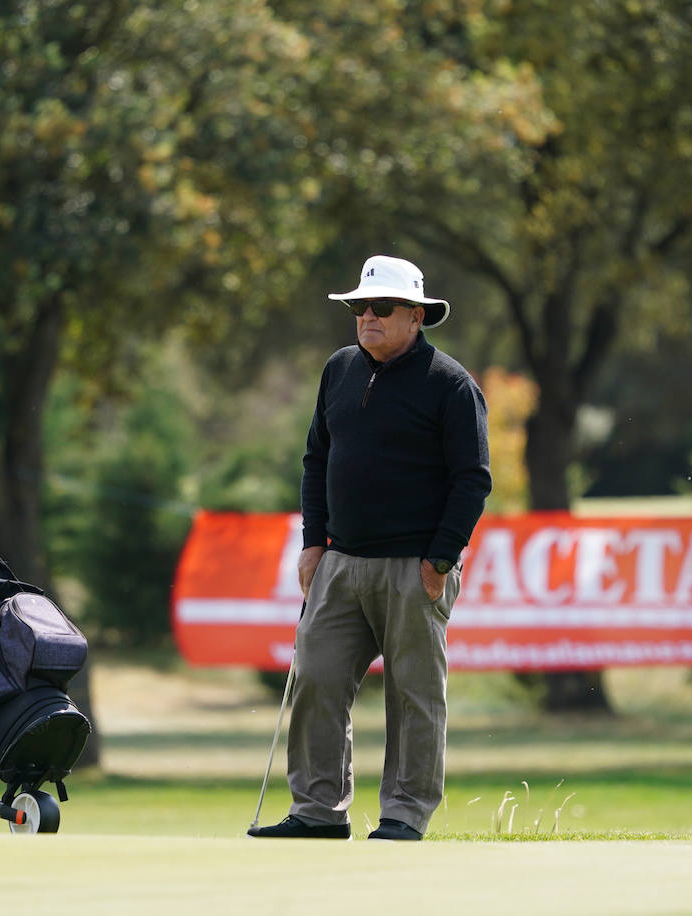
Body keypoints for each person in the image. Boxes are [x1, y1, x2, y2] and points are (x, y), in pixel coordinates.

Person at [249, 254, 491, 841]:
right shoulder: (339, 370)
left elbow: (472, 479)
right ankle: (317, 811)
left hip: (414, 568)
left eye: (380, 307)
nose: (367, 318)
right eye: (359, 307)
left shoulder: (451, 385)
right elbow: (316, 458)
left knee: (414, 697)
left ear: (415, 315)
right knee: (318, 680)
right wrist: (313, 543)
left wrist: (439, 560)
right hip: (341, 561)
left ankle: (405, 815)